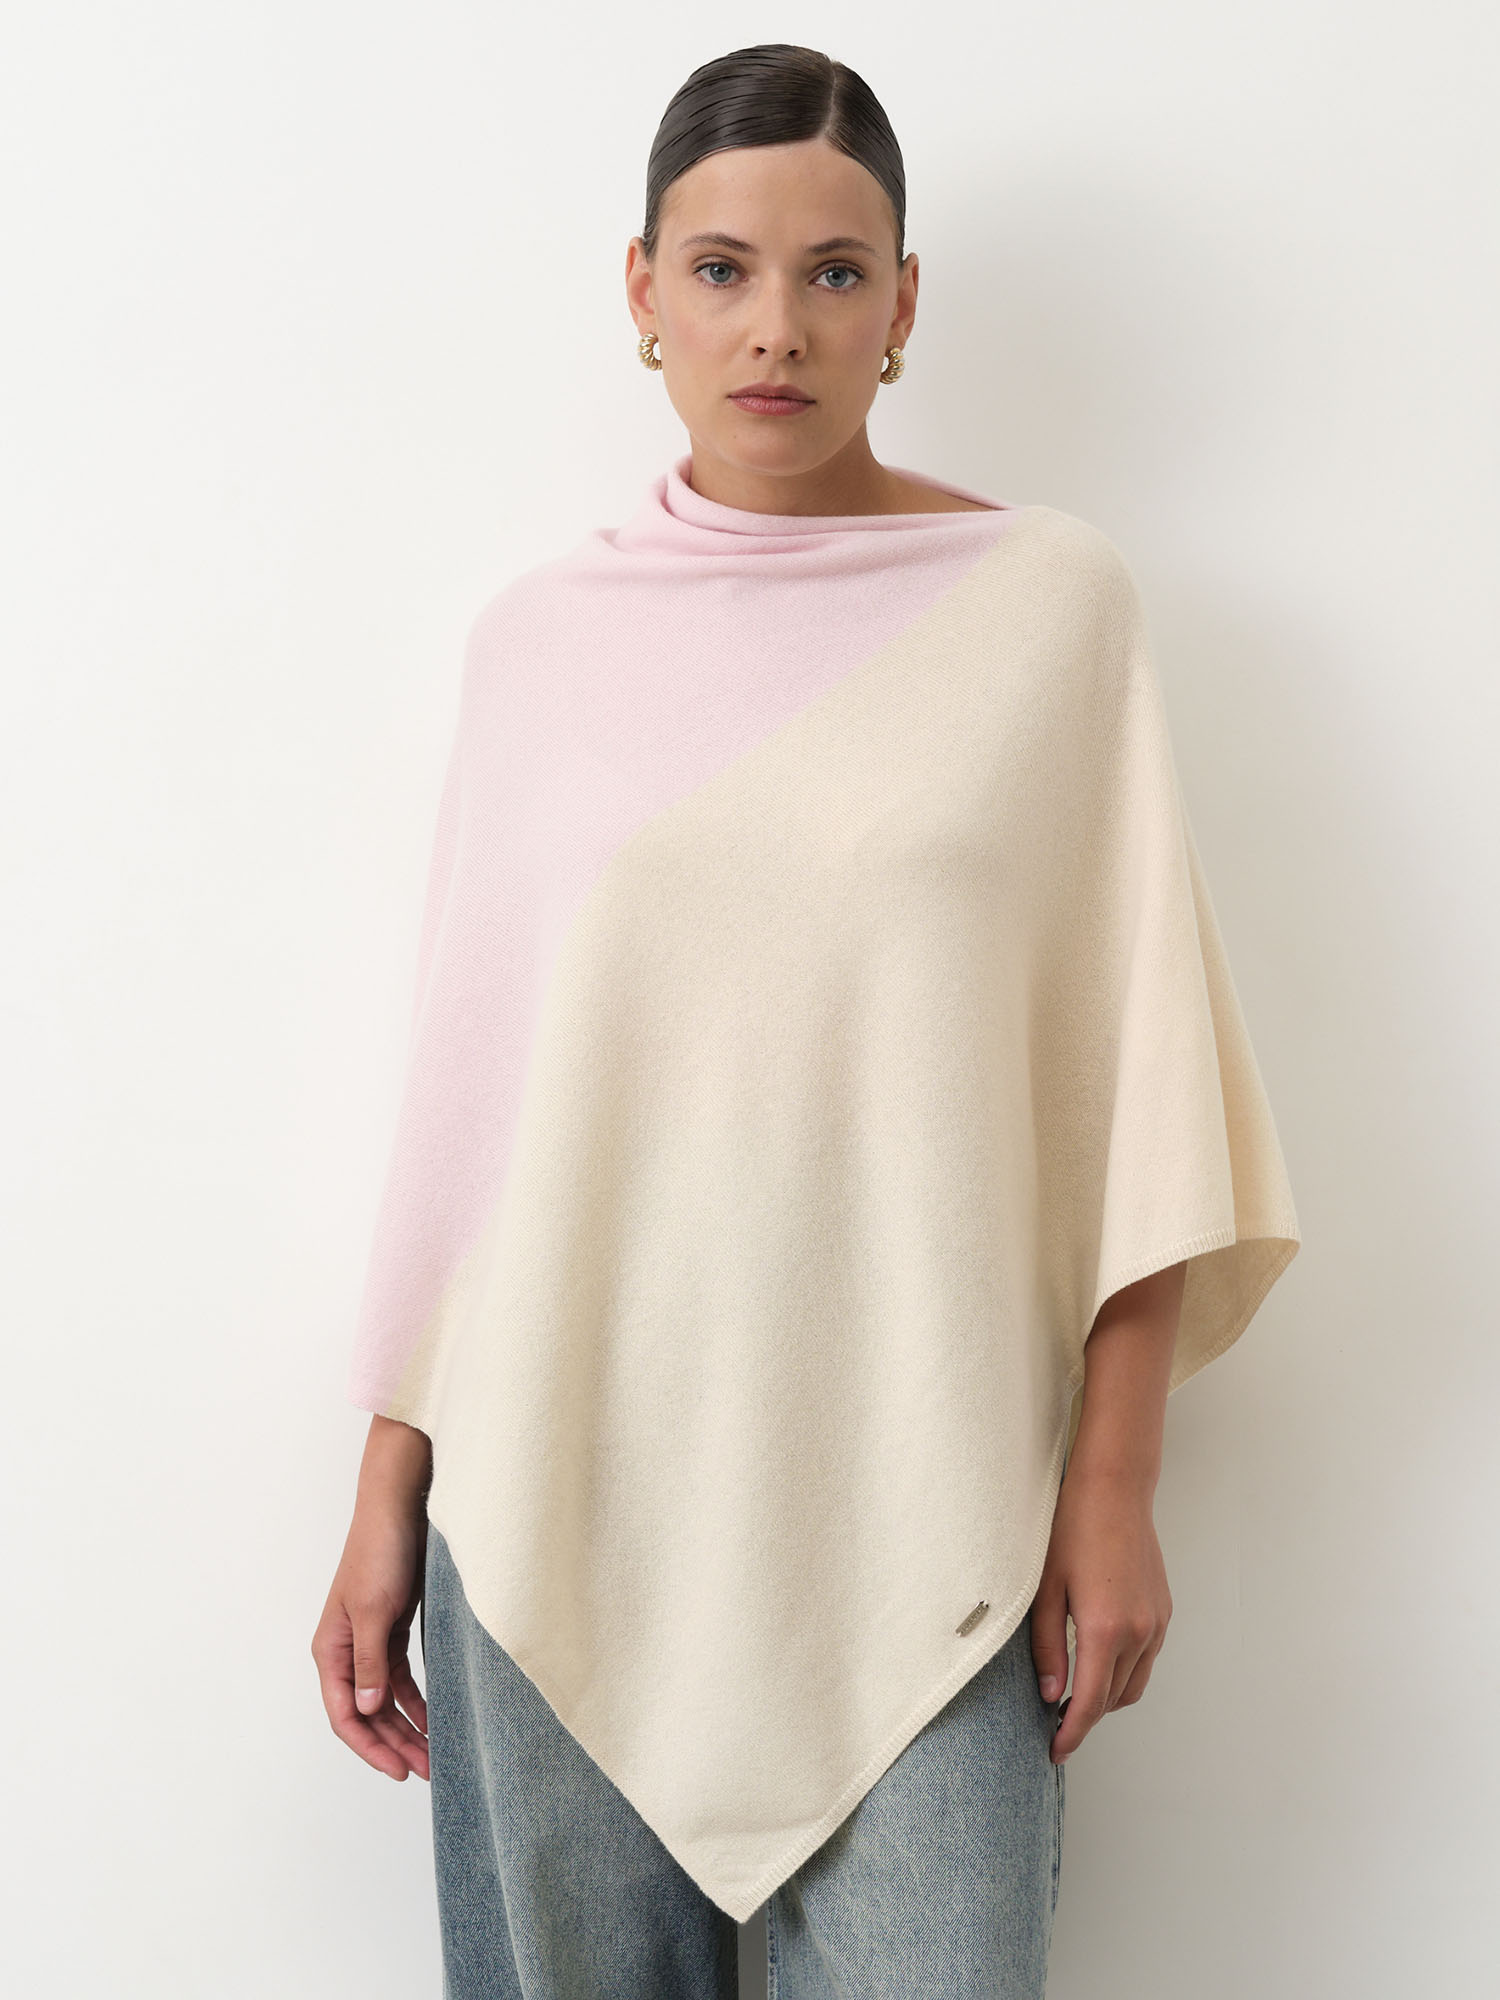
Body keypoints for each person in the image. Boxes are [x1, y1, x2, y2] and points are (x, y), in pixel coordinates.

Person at [311, 41, 1301, 2000]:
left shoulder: (1047, 612)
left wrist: (1112, 1489)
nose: (777, 326)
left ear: (904, 304)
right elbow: (472, 1117)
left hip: (925, 1503)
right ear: (644, 291)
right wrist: (381, 1497)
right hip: (553, 1489)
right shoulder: (539, 646)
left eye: (836, 273)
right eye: (723, 269)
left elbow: (1139, 1089)